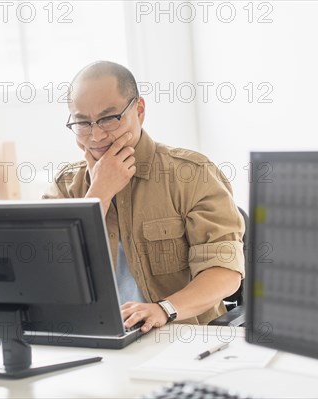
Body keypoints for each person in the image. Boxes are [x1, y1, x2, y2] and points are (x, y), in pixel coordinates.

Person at [42, 61, 245, 333]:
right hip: (96, 339)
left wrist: (165, 309)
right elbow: (45, 275)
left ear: (139, 110)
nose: (96, 135)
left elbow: (225, 273)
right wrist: (99, 194)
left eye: (109, 118)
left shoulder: (192, 174)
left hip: (181, 338)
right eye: (82, 122)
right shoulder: (65, 186)